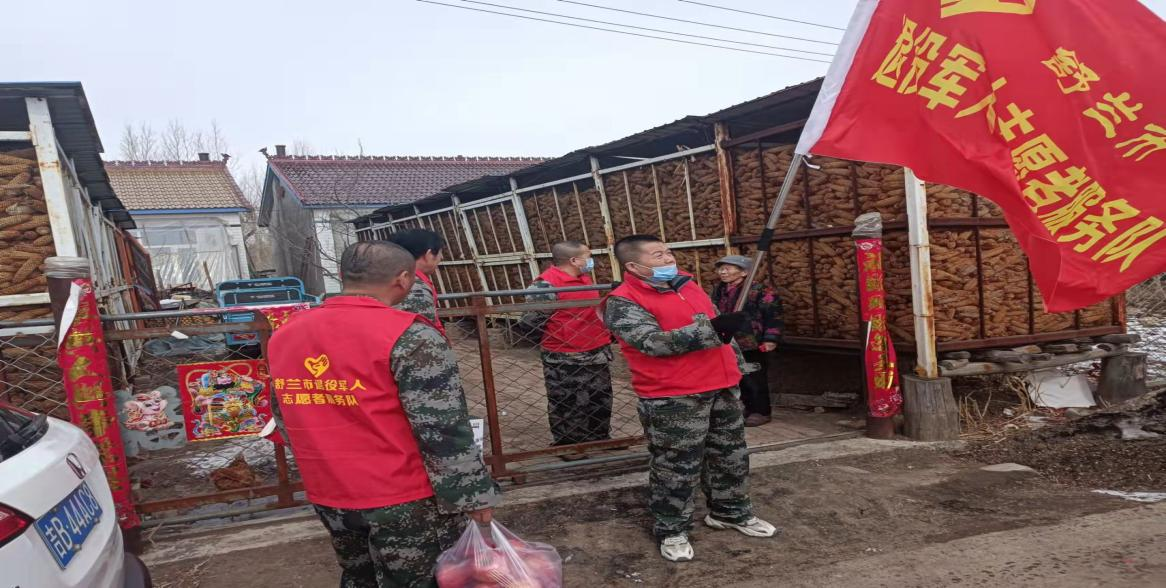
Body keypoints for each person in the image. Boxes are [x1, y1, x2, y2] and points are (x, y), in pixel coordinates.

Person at [268, 241, 498, 587]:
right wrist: (473, 494)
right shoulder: (411, 335)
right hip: (403, 497)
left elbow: (281, 412)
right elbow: (443, 427)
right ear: (403, 279)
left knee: (359, 578)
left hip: (330, 492)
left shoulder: (286, 332)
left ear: (344, 277)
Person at [603, 235, 778, 563]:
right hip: (673, 395)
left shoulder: (688, 285)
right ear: (633, 265)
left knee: (730, 455)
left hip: (721, 386)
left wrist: (738, 367)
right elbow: (650, 342)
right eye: (658, 254)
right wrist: (712, 330)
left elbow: (722, 338)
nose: (668, 257)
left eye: (668, 250)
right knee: (676, 465)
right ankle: (671, 527)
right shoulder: (622, 300)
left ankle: (730, 511)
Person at [518, 241, 614, 454]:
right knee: (567, 401)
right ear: (573, 260)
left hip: (596, 351)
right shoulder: (546, 284)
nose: (591, 261)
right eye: (588, 256)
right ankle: (569, 444)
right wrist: (562, 334)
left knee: (600, 398)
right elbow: (530, 321)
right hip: (563, 356)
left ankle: (600, 438)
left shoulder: (583, 279)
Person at [709, 255, 785, 427]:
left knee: (754, 377)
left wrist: (770, 339)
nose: (722, 271)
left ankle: (761, 411)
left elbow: (774, 315)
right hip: (728, 340)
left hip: (752, 341)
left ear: (744, 272)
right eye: (721, 268)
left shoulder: (760, 290)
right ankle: (746, 408)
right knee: (738, 377)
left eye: (728, 268)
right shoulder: (719, 289)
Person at [387, 229, 447, 336]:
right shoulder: (414, 288)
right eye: (440, 253)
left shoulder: (387, 278)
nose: (441, 257)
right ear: (428, 255)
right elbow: (421, 337)